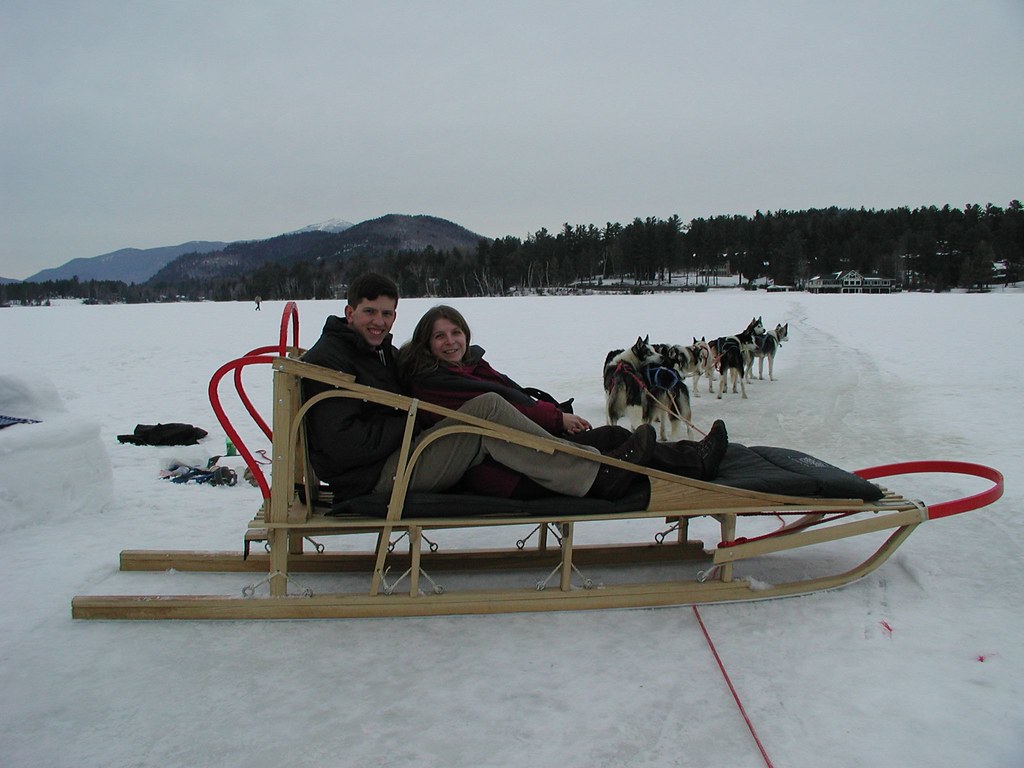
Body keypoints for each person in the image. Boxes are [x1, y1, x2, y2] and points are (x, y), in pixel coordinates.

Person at [301, 274, 655, 503]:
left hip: (395, 460)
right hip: (375, 479)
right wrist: (414, 418)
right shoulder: (331, 360)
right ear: (350, 313)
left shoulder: (376, 353)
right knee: (486, 407)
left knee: (486, 417)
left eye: (387, 314)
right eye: (370, 313)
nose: (379, 322)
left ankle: (592, 466)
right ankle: (594, 476)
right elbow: (345, 445)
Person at [397, 304, 729, 497]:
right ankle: (609, 477)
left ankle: (694, 459)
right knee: (611, 447)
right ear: (426, 343)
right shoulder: (435, 379)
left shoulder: (468, 364)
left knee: (614, 436)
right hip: (502, 466)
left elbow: (514, 394)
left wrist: (554, 415)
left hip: (517, 447)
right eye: (440, 336)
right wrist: (556, 420)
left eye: (456, 332)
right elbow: (503, 403)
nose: (451, 341)